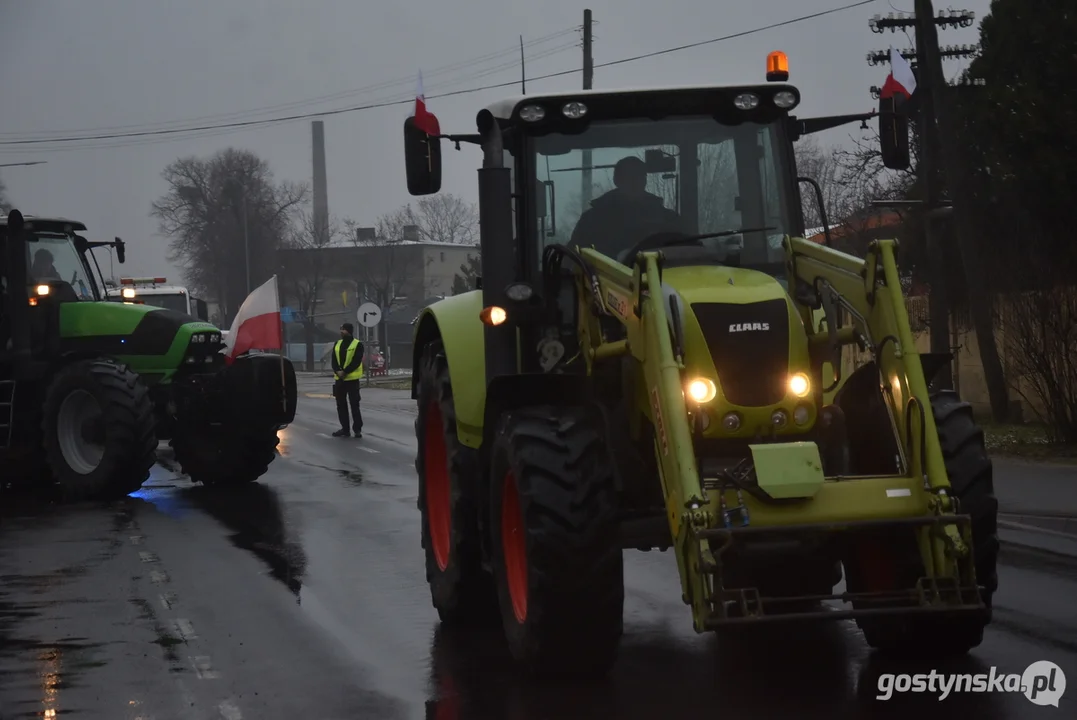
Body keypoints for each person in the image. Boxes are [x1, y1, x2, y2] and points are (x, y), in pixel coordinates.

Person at [570, 155, 684, 261]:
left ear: (645, 180)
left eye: (639, 176)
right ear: (616, 181)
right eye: (628, 177)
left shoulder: (668, 220)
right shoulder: (591, 221)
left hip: (664, 279)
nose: (634, 182)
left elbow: (691, 252)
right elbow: (573, 258)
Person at [331, 323, 364, 438]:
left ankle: (357, 429)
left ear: (348, 331)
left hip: (352, 380)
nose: (341, 332)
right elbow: (334, 361)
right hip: (339, 380)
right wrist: (337, 371)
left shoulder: (357, 344)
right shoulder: (337, 344)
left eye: (343, 330)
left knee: (354, 405)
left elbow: (356, 361)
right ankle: (345, 429)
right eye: (341, 329)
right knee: (341, 405)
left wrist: (344, 371)